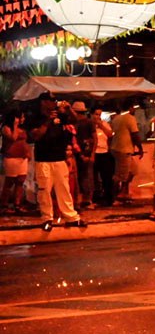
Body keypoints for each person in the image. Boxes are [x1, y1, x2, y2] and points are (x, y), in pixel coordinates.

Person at [27, 93, 86, 231]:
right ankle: (47, 218)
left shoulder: (60, 115)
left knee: (64, 188)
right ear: (43, 102)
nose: (54, 103)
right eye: (51, 100)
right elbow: (36, 135)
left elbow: (75, 120)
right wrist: (48, 121)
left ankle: (71, 217)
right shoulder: (35, 117)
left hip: (59, 158)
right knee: (44, 190)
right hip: (43, 159)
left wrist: (69, 109)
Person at [110, 98, 143, 204]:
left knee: (133, 171)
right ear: (130, 108)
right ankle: (115, 196)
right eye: (134, 107)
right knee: (121, 175)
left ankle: (123, 192)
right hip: (124, 149)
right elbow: (135, 134)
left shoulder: (116, 119)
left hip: (118, 148)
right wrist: (140, 148)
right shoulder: (130, 118)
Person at [1, 108, 30, 214]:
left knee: (20, 181)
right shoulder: (6, 128)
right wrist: (15, 125)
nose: (23, 119)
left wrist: (28, 152)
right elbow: (13, 138)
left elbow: (25, 142)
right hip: (11, 158)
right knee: (9, 182)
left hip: (22, 158)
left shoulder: (23, 129)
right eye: (21, 117)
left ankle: (17, 204)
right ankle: (4, 205)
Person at [71, 101, 96, 209]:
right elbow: (94, 138)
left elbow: (94, 138)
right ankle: (85, 199)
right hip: (83, 151)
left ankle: (86, 199)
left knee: (85, 177)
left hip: (83, 152)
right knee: (84, 176)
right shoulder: (86, 122)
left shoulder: (85, 122)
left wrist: (92, 154)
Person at [91, 107, 114, 206]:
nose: (98, 116)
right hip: (94, 152)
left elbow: (110, 134)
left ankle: (108, 198)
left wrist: (101, 125)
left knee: (106, 177)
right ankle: (95, 197)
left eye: (100, 114)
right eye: (96, 114)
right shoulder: (90, 125)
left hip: (104, 152)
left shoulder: (104, 124)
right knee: (94, 177)